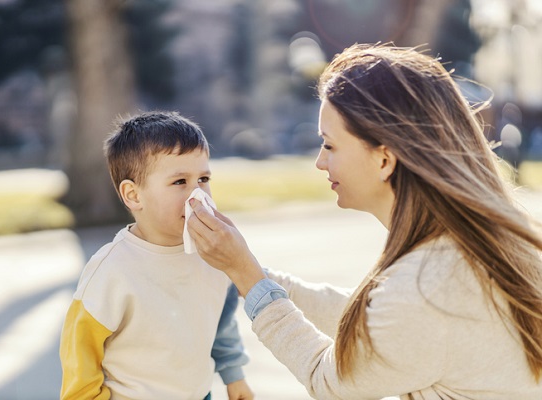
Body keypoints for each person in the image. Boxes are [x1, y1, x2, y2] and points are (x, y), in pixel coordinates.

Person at [187, 43, 542, 399]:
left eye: (329, 145)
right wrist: (244, 272)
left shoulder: (427, 286)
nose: (320, 163)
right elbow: (377, 323)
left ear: (385, 159)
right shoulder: (469, 245)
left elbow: (329, 380)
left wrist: (251, 281)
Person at [59, 111, 254, 400]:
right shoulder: (111, 270)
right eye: (180, 182)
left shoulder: (212, 252)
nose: (197, 195)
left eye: (203, 178)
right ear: (134, 195)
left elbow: (220, 319)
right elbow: (81, 356)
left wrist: (234, 374)